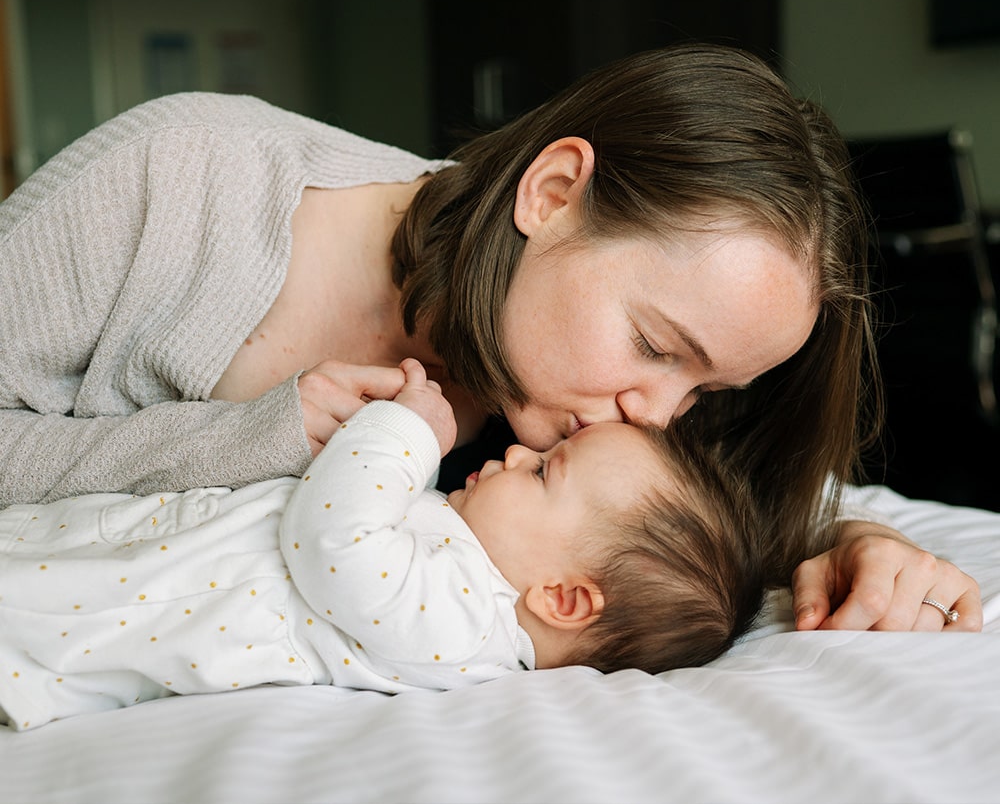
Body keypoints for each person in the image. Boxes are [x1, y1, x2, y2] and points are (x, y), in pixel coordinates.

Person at [0, 42, 981, 632]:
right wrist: (246, 441)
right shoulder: (177, 188)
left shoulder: (601, 406)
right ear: (552, 194)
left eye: (704, 393)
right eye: (653, 343)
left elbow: (705, 521)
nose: (656, 417)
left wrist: (856, 538)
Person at [0, 359, 768, 732]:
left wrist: (408, 434)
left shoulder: (464, 630)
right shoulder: (464, 569)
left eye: (541, 474)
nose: (512, 456)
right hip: (101, 562)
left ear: (563, 599)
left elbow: (334, 538)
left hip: (68, 630)